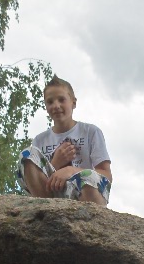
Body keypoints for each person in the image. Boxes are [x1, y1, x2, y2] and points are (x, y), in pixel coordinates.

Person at [16, 75, 112, 206]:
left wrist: (71, 171)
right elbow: (36, 176)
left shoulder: (91, 132)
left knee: (89, 177)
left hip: (84, 194)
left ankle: (89, 213)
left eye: (61, 99)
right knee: (27, 154)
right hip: (52, 194)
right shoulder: (40, 140)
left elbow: (106, 175)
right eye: (50, 102)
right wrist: (55, 163)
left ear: (73, 102)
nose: (56, 105)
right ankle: (45, 208)